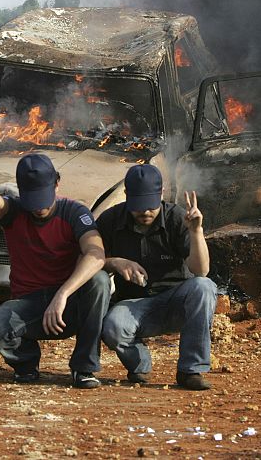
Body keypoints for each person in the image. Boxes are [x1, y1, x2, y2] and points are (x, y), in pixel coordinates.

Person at [0, 148, 110, 389]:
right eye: (32, 199)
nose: (39, 208)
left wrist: (62, 294)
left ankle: (84, 367)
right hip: (28, 303)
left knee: (100, 280)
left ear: (57, 184)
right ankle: (26, 363)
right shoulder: (15, 212)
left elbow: (96, 254)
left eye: (43, 198)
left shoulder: (74, 213)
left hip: (69, 304)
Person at [98, 164, 217, 390]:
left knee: (204, 287)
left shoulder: (177, 218)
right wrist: (113, 262)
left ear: (161, 194)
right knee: (113, 326)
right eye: (138, 206)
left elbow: (201, 270)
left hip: (177, 303)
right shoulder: (110, 220)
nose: (144, 212)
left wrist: (196, 232)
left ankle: (191, 370)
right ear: (126, 197)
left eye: (150, 206)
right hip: (135, 306)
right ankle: (140, 364)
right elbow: (86, 260)